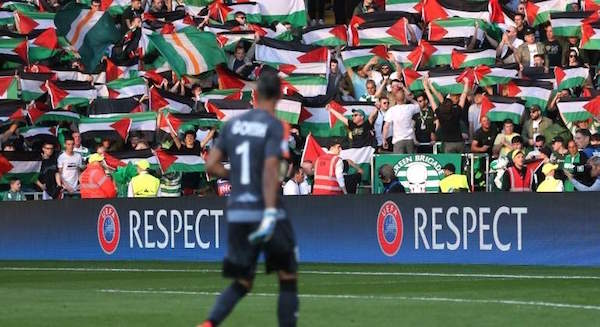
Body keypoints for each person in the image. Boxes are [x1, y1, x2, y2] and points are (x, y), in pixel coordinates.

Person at [201, 71, 298, 327]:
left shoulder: (233, 125)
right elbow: (269, 170)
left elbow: (210, 164)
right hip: (265, 209)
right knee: (287, 275)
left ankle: (209, 323)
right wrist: (269, 211)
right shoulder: (274, 126)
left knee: (243, 280)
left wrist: (236, 175)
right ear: (278, 95)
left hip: (237, 211)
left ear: (254, 94)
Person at [423, 76, 469, 153]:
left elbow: (432, 99)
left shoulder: (440, 114)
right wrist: (466, 83)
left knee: (449, 163)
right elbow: (463, 96)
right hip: (459, 143)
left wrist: (426, 87)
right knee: (461, 163)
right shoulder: (456, 111)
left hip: (447, 144)